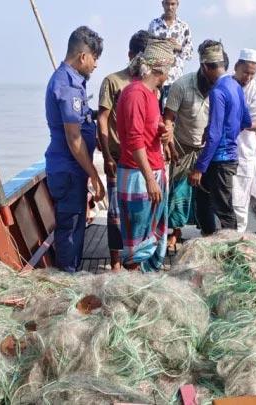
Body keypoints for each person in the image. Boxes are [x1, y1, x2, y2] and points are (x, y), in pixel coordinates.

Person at [44, 26, 105, 273]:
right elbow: (73, 137)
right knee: (70, 226)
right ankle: (68, 278)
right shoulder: (67, 85)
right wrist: (93, 174)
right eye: (95, 58)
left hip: (71, 169)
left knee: (76, 222)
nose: (96, 65)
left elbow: (81, 119)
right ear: (83, 56)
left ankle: (73, 271)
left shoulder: (73, 82)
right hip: (68, 169)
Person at [116, 39, 176, 272]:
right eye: (169, 67)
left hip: (155, 170)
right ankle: (131, 287)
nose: (170, 72)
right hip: (137, 176)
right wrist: (150, 179)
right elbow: (134, 140)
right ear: (160, 67)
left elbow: (151, 126)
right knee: (137, 241)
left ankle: (147, 283)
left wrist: (164, 129)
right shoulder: (135, 93)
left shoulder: (153, 94)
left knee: (153, 233)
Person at [98, 30, 151, 272]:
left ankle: (135, 260)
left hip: (140, 162)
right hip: (118, 159)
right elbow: (102, 119)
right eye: (138, 56)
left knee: (138, 214)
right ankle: (116, 262)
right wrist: (107, 156)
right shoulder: (113, 81)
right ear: (130, 55)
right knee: (115, 213)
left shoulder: (149, 85)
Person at [189, 41, 252, 235]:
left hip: (220, 161)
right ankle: (209, 238)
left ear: (205, 67)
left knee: (224, 211)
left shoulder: (217, 91)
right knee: (202, 198)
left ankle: (232, 249)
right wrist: (229, 132)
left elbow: (215, 136)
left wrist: (199, 167)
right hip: (229, 157)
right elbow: (246, 121)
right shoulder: (235, 85)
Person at [163, 41, 217, 248]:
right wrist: (169, 145)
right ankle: (175, 233)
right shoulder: (181, 85)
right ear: (203, 68)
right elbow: (168, 118)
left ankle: (207, 232)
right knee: (178, 193)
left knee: (206, 193)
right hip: (182, 147)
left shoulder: (219, 86)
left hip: (207, 150)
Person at [232, 48, 256, 233]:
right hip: (222, 152)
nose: (248, 77)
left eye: (252, 74)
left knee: (240, 202)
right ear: (236, 66)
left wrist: (239, 122)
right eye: (245, 72)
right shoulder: (225, 85)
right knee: (221, 199)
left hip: (244, 152)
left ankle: (237, 239)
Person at [148, 0, 194, 111]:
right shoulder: (154, 24)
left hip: (175, 79)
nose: (170, 7)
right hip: (156, 77)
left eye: (173, 4)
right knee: (155, 113)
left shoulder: (183, 27)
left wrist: (178, 47)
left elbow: (190, 53)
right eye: (167, 4)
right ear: (163, 4)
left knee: (172, 115)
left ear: (177, 5)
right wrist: (163, 43)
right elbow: (147, 47)